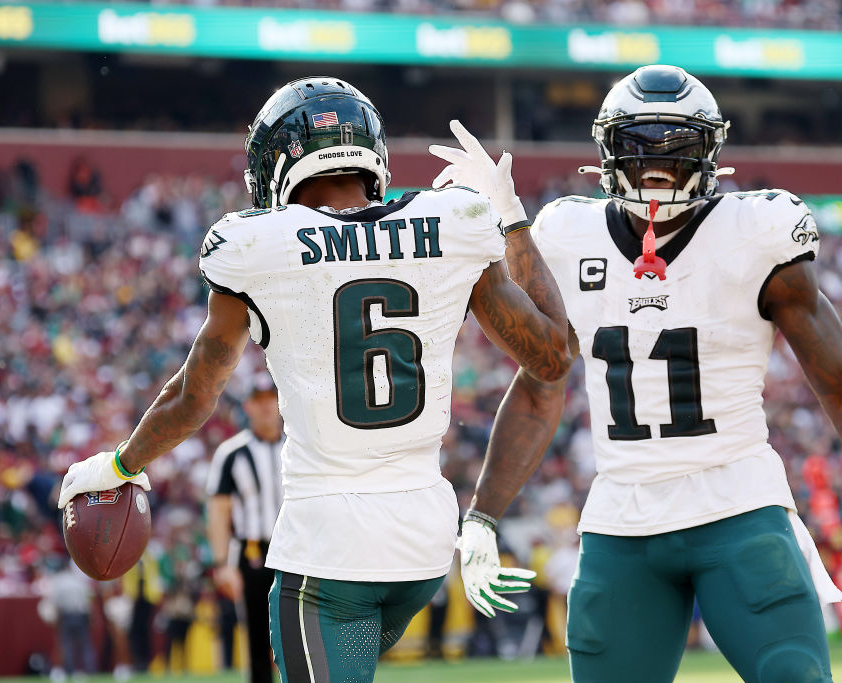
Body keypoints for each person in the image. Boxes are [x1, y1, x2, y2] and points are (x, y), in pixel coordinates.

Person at [462, 64, 842, 683]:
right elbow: (541, 383)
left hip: (737, 504)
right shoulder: (566, 234)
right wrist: (483, 515)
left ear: (710, 155)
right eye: (639, 149)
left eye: (678, 151)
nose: (658, 168)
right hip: (622, 518)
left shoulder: (753, 233)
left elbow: (839, 380)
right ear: (608, 153)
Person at [57, 76, 571, 683]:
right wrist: (511, 218)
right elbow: (553, 357)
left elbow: (194, 396)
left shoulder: (257, 245)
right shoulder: (452, 221)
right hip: (425, 543)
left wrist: (120, 464)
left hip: (329, 550)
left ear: (276, 166)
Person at [205, 376, 284, 683]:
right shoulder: (232, 453)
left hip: (296, 550)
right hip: (252, 552)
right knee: (256, 635)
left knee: (298, 635)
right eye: (259, 401)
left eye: (271, 399)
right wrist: (222, 563)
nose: (266, 407)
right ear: (248, 406)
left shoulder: (298, 446)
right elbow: (218, 510)